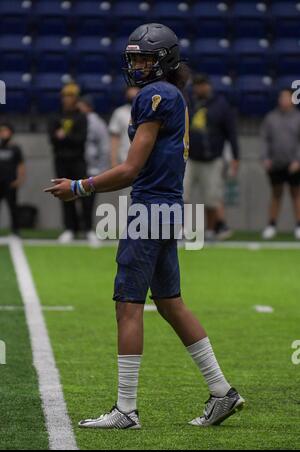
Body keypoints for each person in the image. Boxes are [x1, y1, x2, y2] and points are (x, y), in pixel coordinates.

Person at [45, 23, 245, 429]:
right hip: (170, 207)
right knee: (170, 303)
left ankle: (126, 410)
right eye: (133, 58)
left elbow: (132, 169)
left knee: (128, 306)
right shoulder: (173, 94)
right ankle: (223, 392)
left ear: (164, 60)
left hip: (150, 209)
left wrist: (81, 186)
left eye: (144, 58)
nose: (137, 65)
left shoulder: (155, 95)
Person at [186, 74, 239, 240]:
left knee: (211, 199)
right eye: (196, 85)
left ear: (208, 85)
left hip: (212, 159)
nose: (199, 88)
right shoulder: (188, 103)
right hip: (189, 158)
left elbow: (231, 133)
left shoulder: (221, 105)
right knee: (181, 196)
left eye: (202, 85)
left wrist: (236, 158)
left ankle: (209, 231)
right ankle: (180, 230)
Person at [48, 82, 88, 243]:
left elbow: (81, 139)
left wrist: (64, 136)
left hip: (78, 160)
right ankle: (70, 228)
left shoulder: (81, 117)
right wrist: (66, 138)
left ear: (76, 98)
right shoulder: (55, 116)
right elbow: (52, 138)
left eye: (71, 96)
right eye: (65, 96)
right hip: (61, 160)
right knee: (64, 194)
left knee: (84, 193)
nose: (67, 99)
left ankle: (88, 228)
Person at [261, 89, 300, 240]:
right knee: (276, 194)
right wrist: (265, 158)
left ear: (292, 99)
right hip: (275, 163)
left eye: (286, 97)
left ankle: (298, 226)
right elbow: (265, 139)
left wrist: (298, 160)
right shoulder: (271, 118)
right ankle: (271, 225)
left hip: (294, 164)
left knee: (296, 194)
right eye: (281, 97)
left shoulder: (298, 117)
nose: (283, 99)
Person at [77, 94, 110, 245]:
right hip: (77, 164)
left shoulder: (96, 123)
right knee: (73, 198)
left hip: (91, 167)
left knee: (88, 201)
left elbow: (104, 146)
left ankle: (88, 229)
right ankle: (73, 229)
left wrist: (101, 168)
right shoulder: (76, 120)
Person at [0, 122, 25, 235]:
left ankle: (15, 230)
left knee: (13, 207)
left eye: (5, 131)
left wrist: (19, 179)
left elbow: (20, 165)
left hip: (10, 183)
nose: (3, 133)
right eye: (1, 131)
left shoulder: (15, 148)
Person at [109, 86, 140, 168]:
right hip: (123, 160)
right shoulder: (119, 112)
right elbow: (114, 139)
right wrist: (113, 162)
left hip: (143, 161)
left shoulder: (148, 111)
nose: (133, 94)